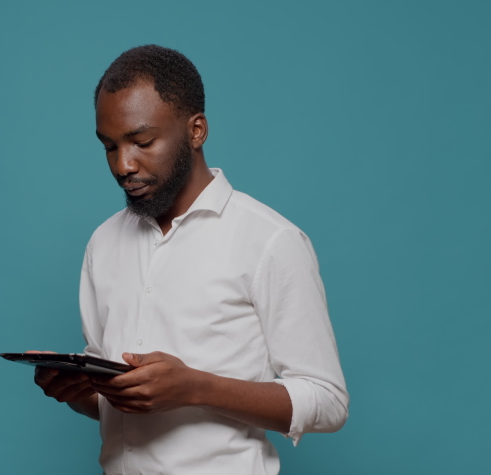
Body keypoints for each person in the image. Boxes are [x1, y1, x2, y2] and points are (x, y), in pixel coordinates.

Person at [30, 45, 348, 474]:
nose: (123, 165)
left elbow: (328, 401)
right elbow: (113, 407)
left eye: (143, 142)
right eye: (109, 146)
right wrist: (78, 390)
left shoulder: (271, 241)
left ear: (196, 131)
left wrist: (196, 388)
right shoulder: (103, 242)